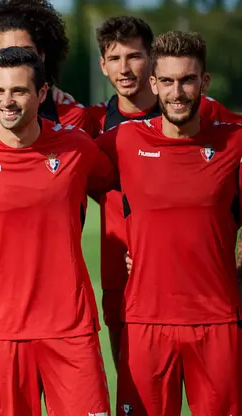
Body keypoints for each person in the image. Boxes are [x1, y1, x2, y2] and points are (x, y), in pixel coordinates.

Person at [0, 46, 113, 416]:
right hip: (2, 331)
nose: (7, 101)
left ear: (42, 92)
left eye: (19, 91)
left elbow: (121, 185)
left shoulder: (75, 147)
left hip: (71, 329)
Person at [96, 31, 242, 416]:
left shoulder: (234, 143)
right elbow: (55, 164)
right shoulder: (123, 140)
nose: (177, 93)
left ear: (204, 82)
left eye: (187, 80)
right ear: (154, 83)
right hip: (146, 323)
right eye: (168, 81)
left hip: (218, 323)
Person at [0, 0, 94, 347]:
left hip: (60, 285)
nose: (15, 60)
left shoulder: (72, 117)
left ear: (41, 55)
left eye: (26, 52)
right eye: (4, 54)